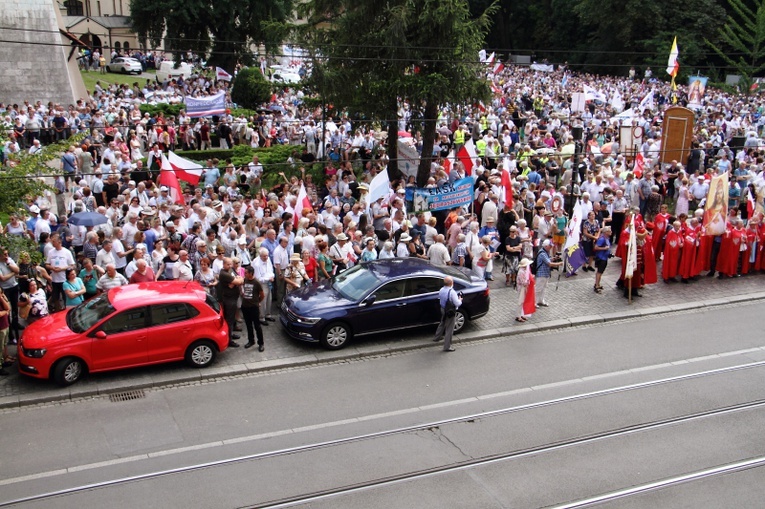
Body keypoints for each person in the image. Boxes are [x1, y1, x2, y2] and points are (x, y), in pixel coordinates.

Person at [217, 257, 243, 347]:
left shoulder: (231, 269)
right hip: (229, 299)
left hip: (234, 297)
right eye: (228, 264)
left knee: (232, 319)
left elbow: (240, 279)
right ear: (223, 264)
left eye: (230, 264)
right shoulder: (224, 274)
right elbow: (238, 281)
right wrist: (236, 281)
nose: (230, 266)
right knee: (229, 319)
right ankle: (229, 340)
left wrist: (235, 282)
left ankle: (231, 334)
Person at [432, 276, 461, 352]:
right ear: (451, 283)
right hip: (450, 311)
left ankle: (437, 337)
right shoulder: (452, 292)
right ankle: (447, 346)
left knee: (442, 322)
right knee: (449, 329)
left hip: (443, 309)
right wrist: (460, 300)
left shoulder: (441, 290)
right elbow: (457, 303)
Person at [240, 265, 265, 351]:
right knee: (248, 325)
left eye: (246, 273)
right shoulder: (245, 280)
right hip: (245, 306)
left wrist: (257, 302)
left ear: (251, 273)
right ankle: (251, 340)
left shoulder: (256, 282)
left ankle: (261, 343)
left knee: (257, 326)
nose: (245, 274)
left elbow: (262, 295)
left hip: (253, 307)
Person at [253, 247, 276, 325]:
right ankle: (261, 317)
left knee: (269, 299)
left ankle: (268, 315)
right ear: (260, 256)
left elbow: (271, 270)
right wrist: (268, 279)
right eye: (264, 256)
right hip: (262, 283)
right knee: (263, 301)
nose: (266, 257)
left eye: (267, 256)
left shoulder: (268, 259)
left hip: (269, 282)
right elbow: (258, 278)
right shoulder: (256, 264)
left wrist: (272, 276)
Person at [536, 239, 562, 306]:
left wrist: (554, 258)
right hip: (541, 274)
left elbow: (548, 260)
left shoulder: (545, 252)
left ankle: (541, 300)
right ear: (546, 246)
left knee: (544, 287)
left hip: (546, 273)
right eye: (550, 246)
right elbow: (549, 263)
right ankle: (534, 302)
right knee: (538, 289)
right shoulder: (542, 253)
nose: (551, 247)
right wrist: (559, 263)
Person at [593, 226, 611, 293]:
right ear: (606, 232)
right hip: (601, 258)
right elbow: (596, 247)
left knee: (601, 272)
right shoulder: (602, 239)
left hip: (605, 257)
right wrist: (604, 249)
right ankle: (596, 285)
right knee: (599, 272)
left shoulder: (607, 238)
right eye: (609, 231)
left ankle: (598, 284)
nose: (611, 232)